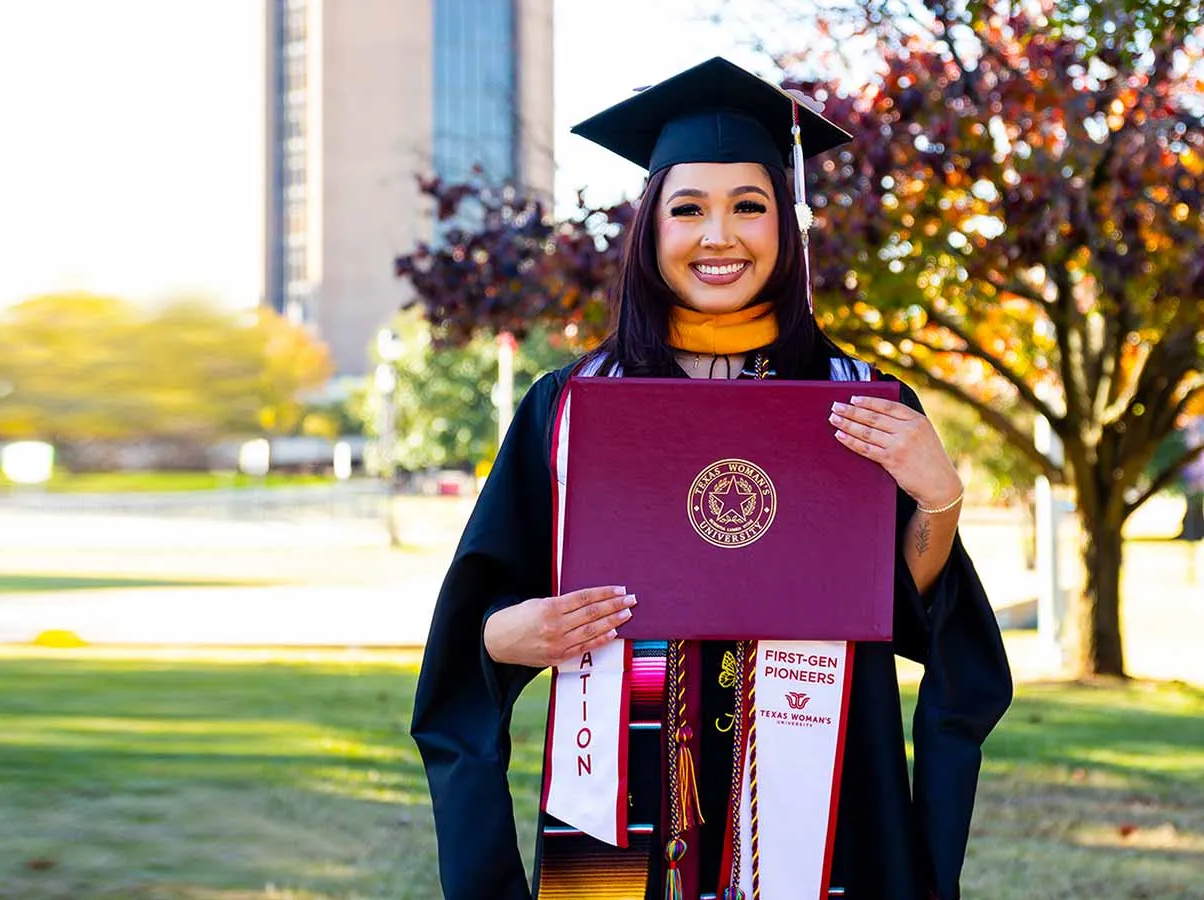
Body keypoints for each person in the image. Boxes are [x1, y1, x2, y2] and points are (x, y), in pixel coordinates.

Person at [411, 57, 1013, 900]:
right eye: (688, 208)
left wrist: (937, 495)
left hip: (825, 795)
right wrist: (511, 638)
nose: (718, 236)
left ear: (787, 226)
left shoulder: (859, 402)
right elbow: (475, 627)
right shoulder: (570, 408)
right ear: (652, 229)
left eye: (749, 207)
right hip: (623, 800)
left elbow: (900, 613)